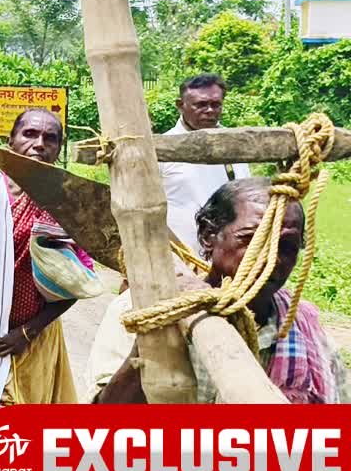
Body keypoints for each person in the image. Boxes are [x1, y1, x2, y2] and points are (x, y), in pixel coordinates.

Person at [91, 177, 349, 404]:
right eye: (252, 239)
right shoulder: (138, 310)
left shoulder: (303, 327)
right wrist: (154, 340)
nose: (273, 259)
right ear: (208, 236)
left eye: (287, 246)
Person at [0, 107, 88, 405]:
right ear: (11, 141)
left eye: (50, 138)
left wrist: (25, 334)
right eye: (29, 134)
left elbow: (76, 282)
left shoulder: (64, 204)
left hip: (32, 337)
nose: (39, 144)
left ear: (58, 149)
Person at [160, 73, 251, 255]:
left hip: (229, 255)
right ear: (180, 105)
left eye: (216, 105)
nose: (209, 110)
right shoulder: (162, 148)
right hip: (178, 257)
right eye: (200, 104)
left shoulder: (235, 144)